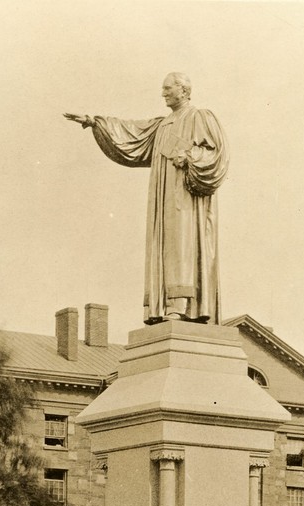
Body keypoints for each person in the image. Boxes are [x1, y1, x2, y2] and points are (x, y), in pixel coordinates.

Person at [64, 72, 229, 324]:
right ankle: (165, 305)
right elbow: (133, 132)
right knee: (166, 245)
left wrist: (190, 158)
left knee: (183, 245)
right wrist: (94, 122)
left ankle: (185, 305)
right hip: (163, 197)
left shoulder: (200, 117)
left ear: (184, 90)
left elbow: (217, 154)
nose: (162, 93)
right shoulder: (162, 125)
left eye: (167, 88)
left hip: (187, 198)